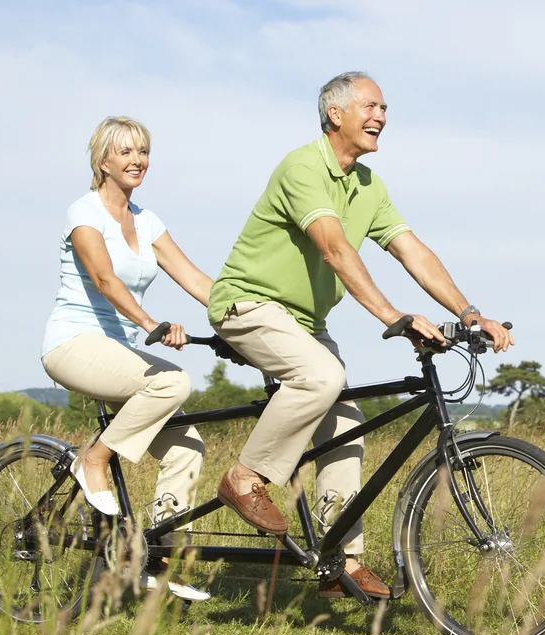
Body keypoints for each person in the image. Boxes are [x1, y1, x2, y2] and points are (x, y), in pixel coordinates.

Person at [207, 71, 514, 599]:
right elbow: (334, 249)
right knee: (321, 376)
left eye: (385, 108)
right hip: (248, 303)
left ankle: (338, 561)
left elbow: (411, 250)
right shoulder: (303, 166)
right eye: (371, 106)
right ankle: (244, 476)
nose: (381, 117)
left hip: (306, 322)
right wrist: (393, 314)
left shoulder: (368, 185)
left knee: (347, 421)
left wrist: (468, 312)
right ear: (336, 114)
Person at [40, 116, 213, 601]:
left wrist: (245, 318)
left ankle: (152, 558)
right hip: (73, 342)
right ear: (102, 161)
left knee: (187, 448)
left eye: (143, 151)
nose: (137, 160)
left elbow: (197, 280)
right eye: (126, 152)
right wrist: (151, 324)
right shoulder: (84, 212)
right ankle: (92, 460)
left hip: (118, 350)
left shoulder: (148, 220)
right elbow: (104, 280)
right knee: (173, 382)